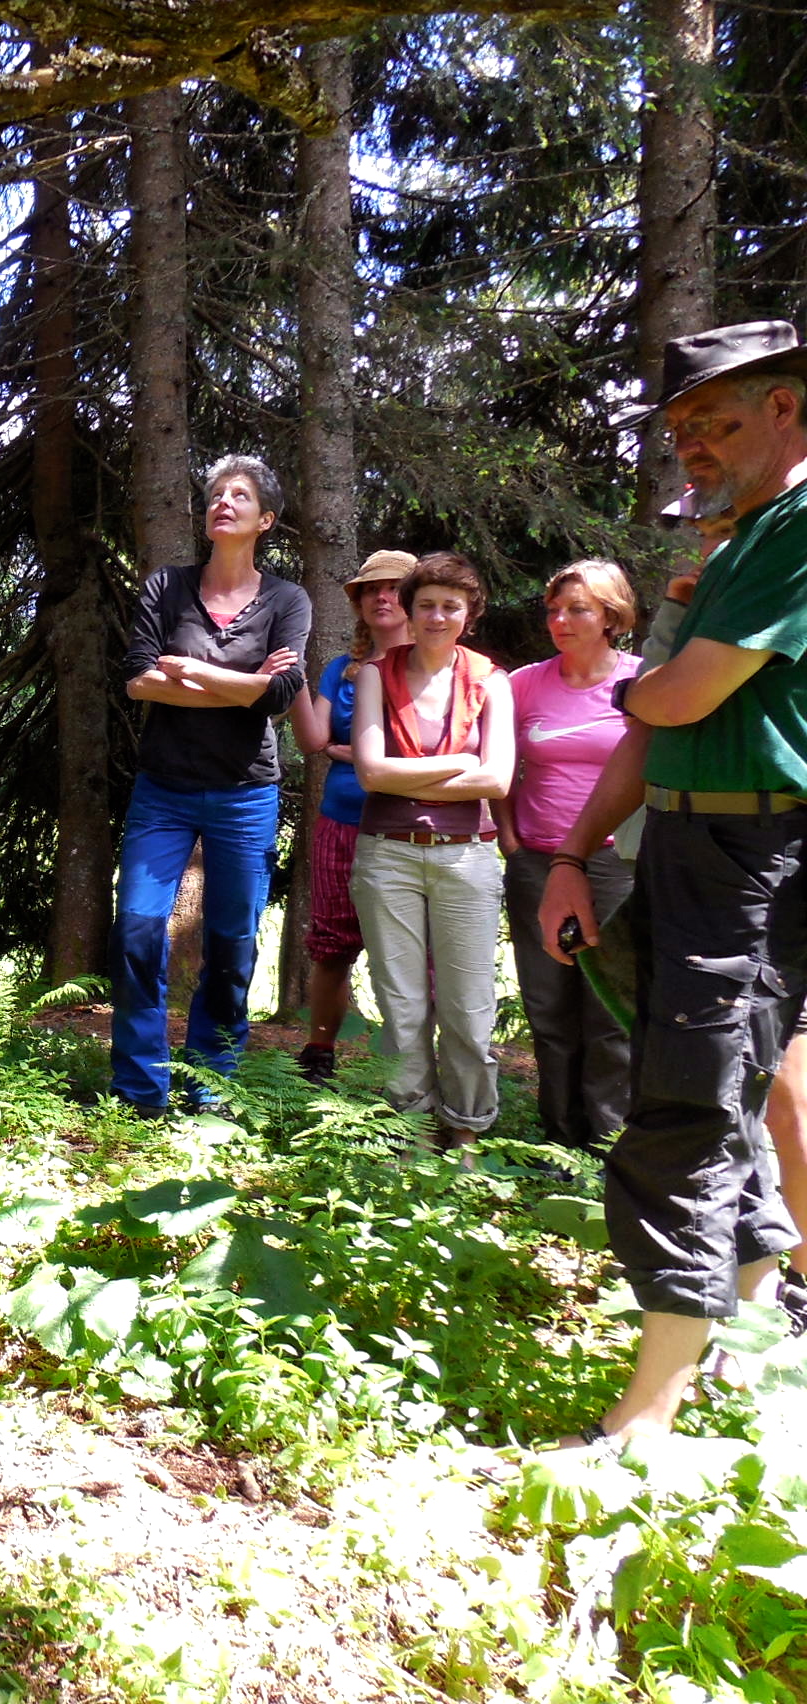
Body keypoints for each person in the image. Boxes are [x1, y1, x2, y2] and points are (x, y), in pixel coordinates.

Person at [538, 320, 807, 1445]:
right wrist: (566, 856)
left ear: (789, 409)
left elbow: (675, 701)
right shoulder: (736, 540)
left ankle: (645, 1415)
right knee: (716, 1089)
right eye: (682, 427)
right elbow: (648, 735)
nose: (692, 444)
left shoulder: (795, 527)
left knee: (680, 1110)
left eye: (720, 420)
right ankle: (752, 1334)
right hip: (688, 850)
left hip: (756, 857)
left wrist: (646, 680)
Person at [111, 456, 310, 1115]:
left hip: (244, 794)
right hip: (163, 789)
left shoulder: (287, 600)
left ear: (266, 520)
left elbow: (279, 698)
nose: (224, 502)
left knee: (231, 943)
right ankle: (140, 1091)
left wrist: (190, 671)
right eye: (217, 494)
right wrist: (245, 684)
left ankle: (211, 1090)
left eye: (242, 496)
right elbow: (141, 680)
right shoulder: (166, 587)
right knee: (138, 929)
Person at [349, 553, 515, 1149]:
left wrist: (408, 772)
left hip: (466, 856)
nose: (438, 616)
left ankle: (467, 1134)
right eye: (427, 605)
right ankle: (412, 1129)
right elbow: (370, 774)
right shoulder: (375, 673)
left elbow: (498, 781)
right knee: (402, 1007)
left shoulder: (491, 680)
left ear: (468, 614)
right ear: (410, 612)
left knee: (469, 1011)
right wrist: (459, 763)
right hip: (387, 855)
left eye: (451, 605)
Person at [494, 560, 641, 1151]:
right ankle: (558, 1143)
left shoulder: (642, 679)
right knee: (550, 1008)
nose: (561, 620)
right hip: (538, 863)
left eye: (577, 609)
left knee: (610, 1013)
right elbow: (500, 771)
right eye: (553, 609)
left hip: (615, 866)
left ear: (611, 616)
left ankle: (609, 1148)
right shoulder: (524, 683)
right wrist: (511, 841)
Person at [291, 551, 416, 1082]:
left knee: (410, 951)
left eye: (393, 588)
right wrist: (292, 679)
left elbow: (420, 747)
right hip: (342, 819)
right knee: (332, 942)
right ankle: (320, 1053)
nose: (381, 598)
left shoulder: (434, 667)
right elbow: (315, 741)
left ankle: (409, 1064)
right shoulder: (342, 669)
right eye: (371, 591)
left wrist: (357, 752)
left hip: (411, 823)